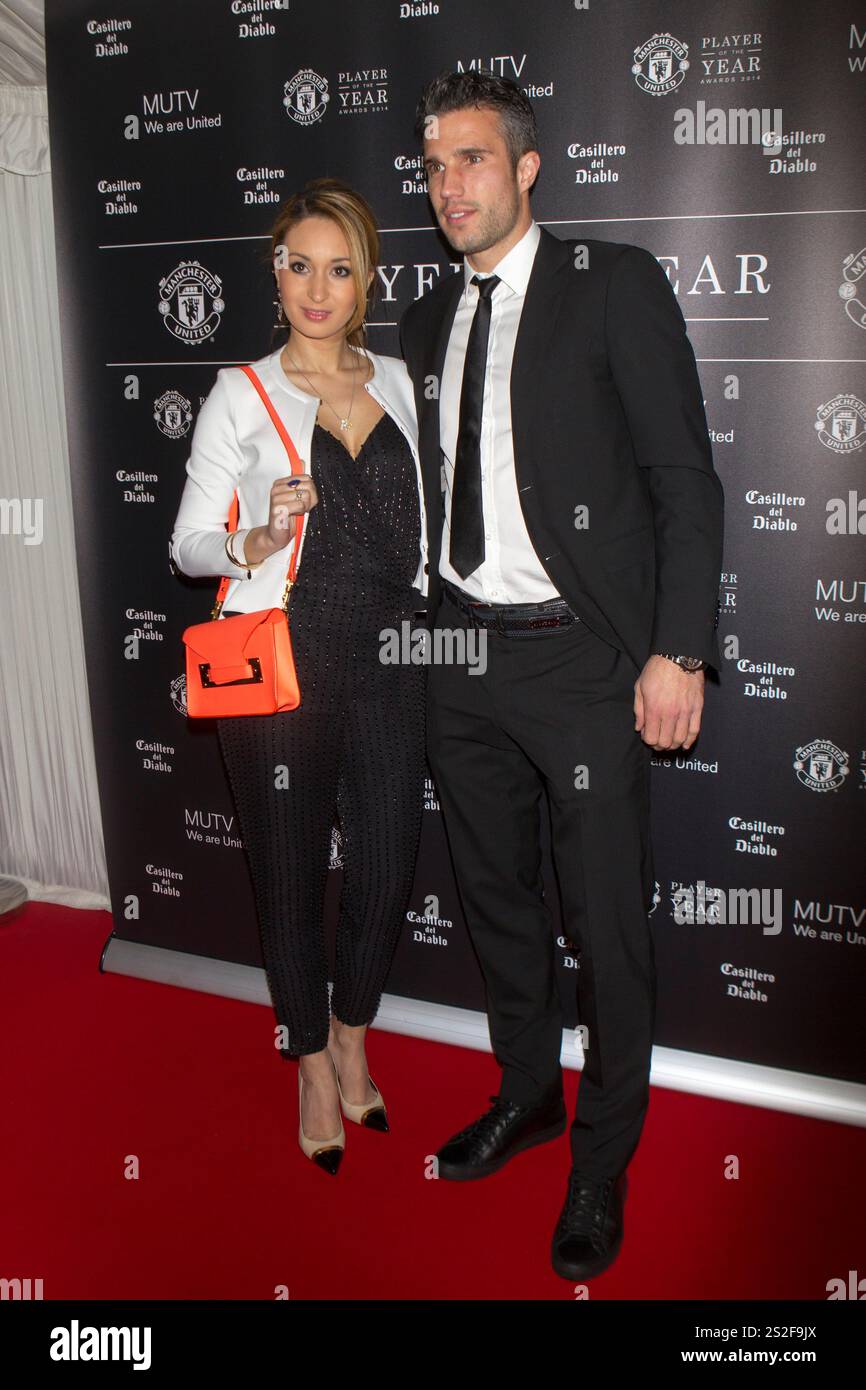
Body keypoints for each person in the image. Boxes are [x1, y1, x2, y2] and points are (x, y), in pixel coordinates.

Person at [399, 71, 724, 1278]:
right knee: (496, 904)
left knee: (605, 927)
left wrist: (675, 645)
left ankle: (600, 1159)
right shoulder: (428, 318)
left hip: (584, 660)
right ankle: (527, 1092)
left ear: (527, 167)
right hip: (461, 653)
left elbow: (684, 482)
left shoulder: (611, 288)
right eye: (433, 168)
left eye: (472, 160)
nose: (449, 187)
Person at [170, 178, 429, 1175]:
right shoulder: (243, 391)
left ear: (364, 280)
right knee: (285, 879)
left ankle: (355, 1032)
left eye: (337, 268)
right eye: (297, 265)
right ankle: (312, 1064)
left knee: (387, 865)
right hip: (282, 666)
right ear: (274, 275)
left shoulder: (401, 380)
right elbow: (189, 542)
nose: (316, 289)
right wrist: (259, 535)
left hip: (391, 659)